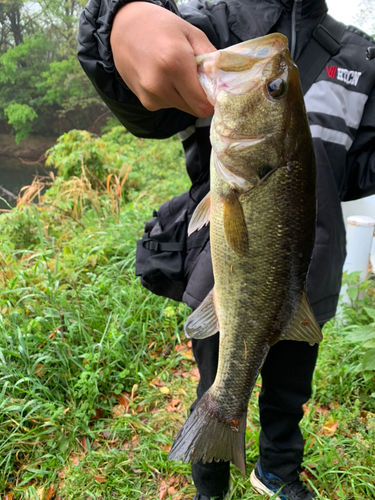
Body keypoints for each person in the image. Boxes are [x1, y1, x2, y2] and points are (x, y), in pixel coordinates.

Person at [77, 0, 375, 498]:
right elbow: (138, 99)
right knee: (218, 381)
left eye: (274, 88)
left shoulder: (360, 58)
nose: (270, 72)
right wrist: (121, 22)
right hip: (222, 278)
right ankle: (209, 483)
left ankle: (278, 470)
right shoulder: (211, 28)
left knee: (289, 394)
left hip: (310, 278)